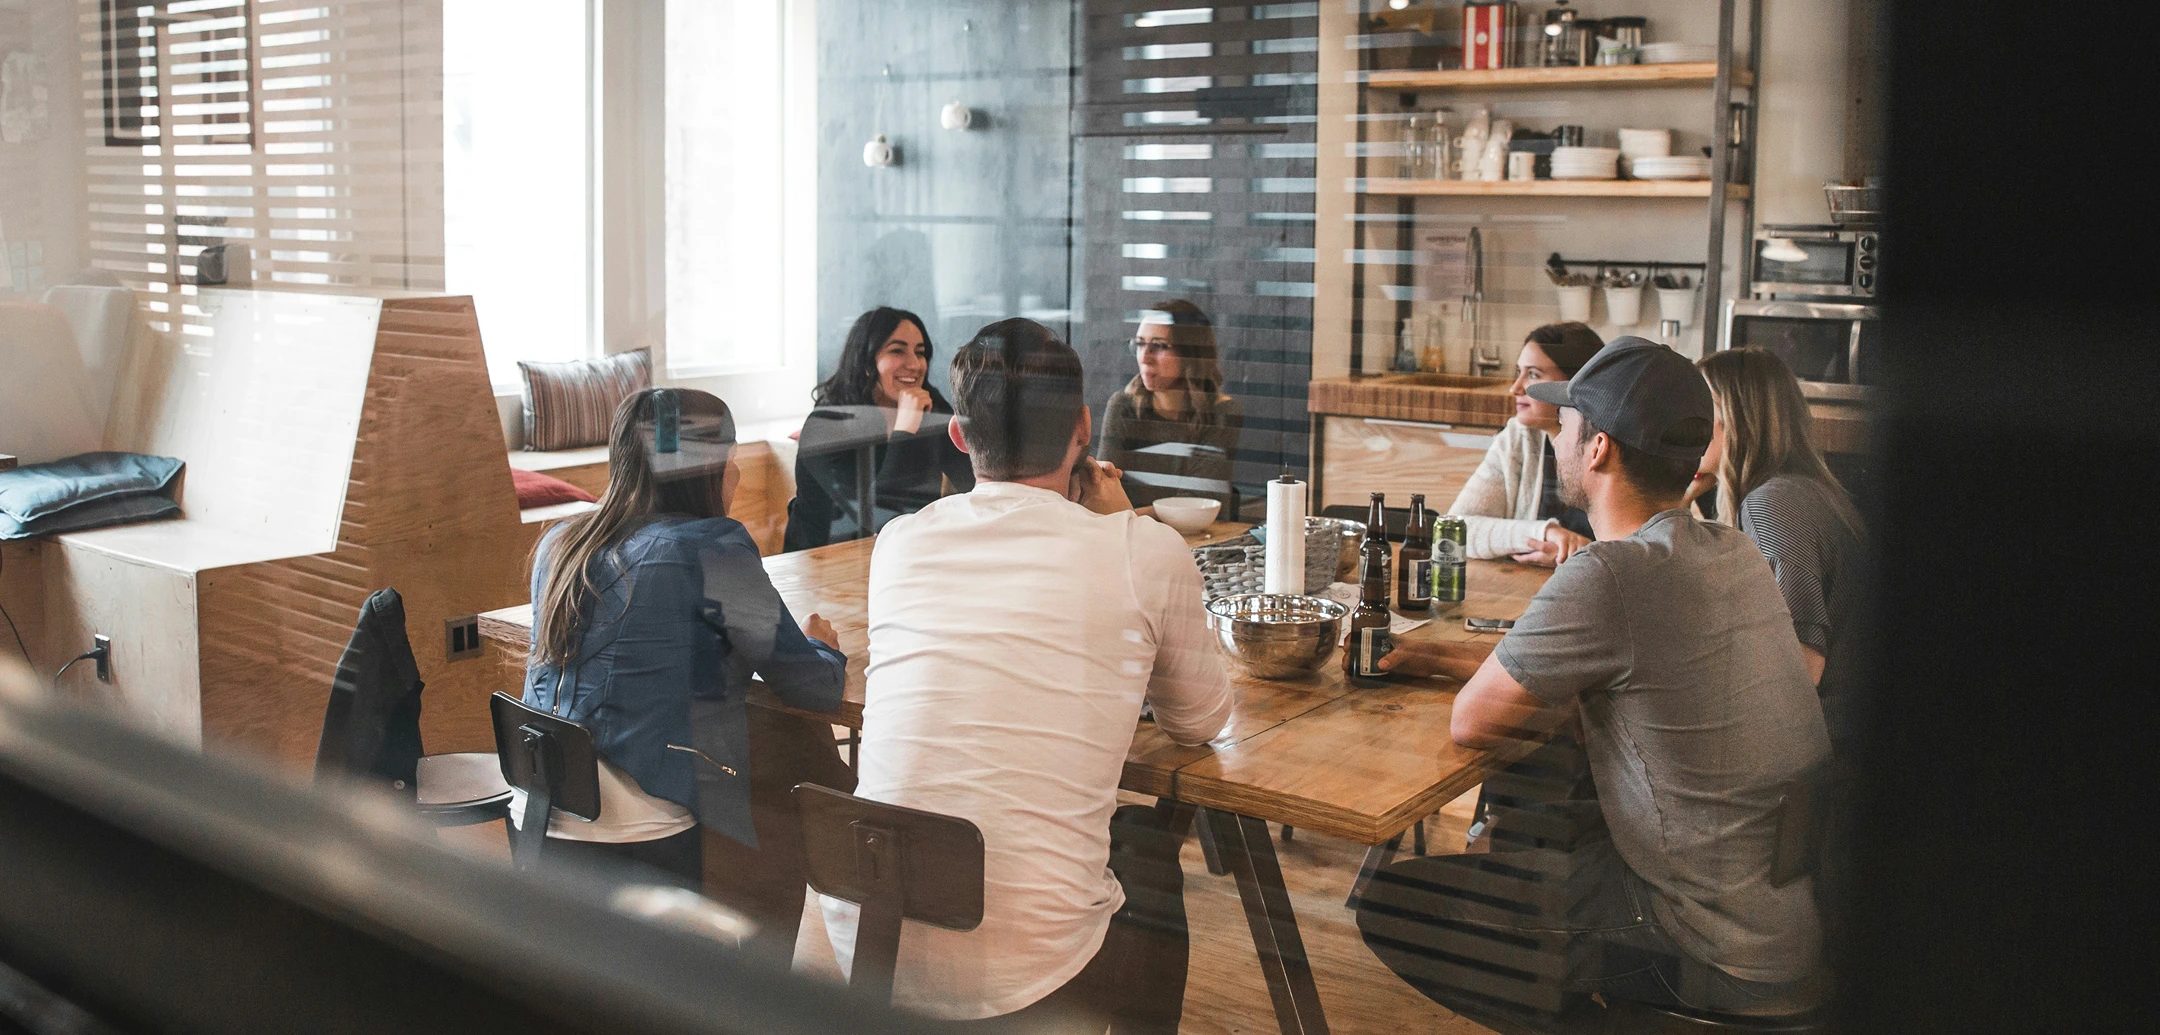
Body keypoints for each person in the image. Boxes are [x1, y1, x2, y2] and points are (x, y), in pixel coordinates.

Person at [1355, 338, 1833, 1034]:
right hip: (1778, 925)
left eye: (1567, 420)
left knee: (1397, 908)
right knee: (1548, 827)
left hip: (1704, 946)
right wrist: (1434, 660)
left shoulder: (1611, 573)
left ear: (1599, 447)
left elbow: (1473, 722)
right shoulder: (1730, 550)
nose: (1556, 435)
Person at [822, 318, 1233, 1030]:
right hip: (1027, 977)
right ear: (1083, 428)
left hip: (867, 943)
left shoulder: (901, 544)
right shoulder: (1144, 550)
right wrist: (1123, 520)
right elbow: (1199, 721)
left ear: (958, 435)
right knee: (1148, 853)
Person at [523, 388, 849, 950]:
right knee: (797, 764)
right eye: (732, 461)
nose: (739, 479)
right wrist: (827, 647)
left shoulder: (561, 544)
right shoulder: (708, 547)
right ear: (708, 468)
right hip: (644, 833)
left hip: (545, 815)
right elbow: (813, 686)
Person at [1695, 347, 1867, 748]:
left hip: (1828, 753)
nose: (1685, 429)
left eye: (1698, 414)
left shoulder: (1773, 504)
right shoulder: (1802, 490)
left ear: (1733, 419)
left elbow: (1798, 669)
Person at [784, 307, 976, 550]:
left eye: (921, 353)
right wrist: (906, 430)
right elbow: (879, 518)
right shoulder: (826, 425)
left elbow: (976, 481)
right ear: (866, 363)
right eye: (897, 351)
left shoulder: (930, 407)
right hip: (823, 564)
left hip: (905, 553)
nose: (915, 364)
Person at [1446, 322, 1606, 566]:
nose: (1514, 388)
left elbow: (1636, 551)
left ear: (1575, 384)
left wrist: (1575, 555)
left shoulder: (1613, 447)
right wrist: (1546, 533)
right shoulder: (1518, 437)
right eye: (1518, 372)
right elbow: (1455, 529)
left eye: (1533, 374)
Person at [1097, 300, 1244, 510]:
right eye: (1139, 344)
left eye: (1159, 346)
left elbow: (1198, 502)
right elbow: (1103, 490)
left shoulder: (1222, 413)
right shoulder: (1124, 406)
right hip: (1132, 535)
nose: (1145, 358)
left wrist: (1127, 516)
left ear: (1190, 354)